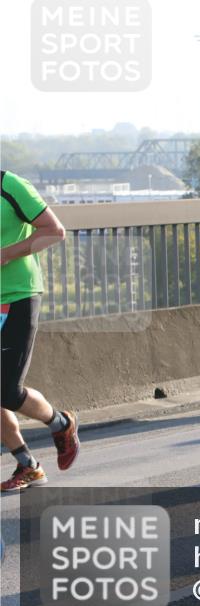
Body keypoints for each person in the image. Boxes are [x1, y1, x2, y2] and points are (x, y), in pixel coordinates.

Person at [1, 171, 79, 491]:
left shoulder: (10, 186)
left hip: (18, 297)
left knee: (6, 390)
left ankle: (62, 423)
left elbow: (54, 231)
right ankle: (27, 465)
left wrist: (4, 254)